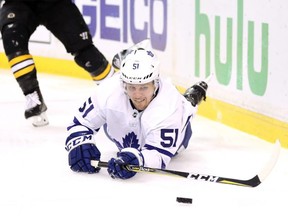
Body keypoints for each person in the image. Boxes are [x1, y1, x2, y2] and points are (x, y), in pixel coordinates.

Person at [65, 46, 208, 180]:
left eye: (144, 87)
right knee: (112, 115)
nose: (137, 95)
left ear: (156, 83)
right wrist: (79, 142)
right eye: (132, 87)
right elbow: (80, 123)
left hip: (176, 139)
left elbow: (159, 155)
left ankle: (191, 97)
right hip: (121, 131)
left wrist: (138, 160)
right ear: (123, 83)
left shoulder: (169, 108)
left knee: (185, 106)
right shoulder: (109, 90)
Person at [0, 0, 114, 127]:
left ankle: (116, 93)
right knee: (13, 42)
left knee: (86, 55)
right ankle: (32, 96)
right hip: (18, 3)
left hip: (55, 3)